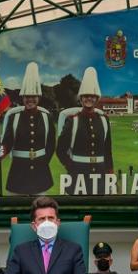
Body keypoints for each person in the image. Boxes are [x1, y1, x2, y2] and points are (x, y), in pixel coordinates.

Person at [0, 61, 57, 195]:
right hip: (18, 173)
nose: (30, 99)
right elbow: (7, 142)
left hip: (41, 173)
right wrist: (0, 152)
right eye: (27, 97)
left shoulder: (47, 117)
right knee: (16, 210)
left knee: (40, 209)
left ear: (39, 97)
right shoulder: (14, 117)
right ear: (22, 97)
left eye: (33, 96)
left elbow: (51, 144)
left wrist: (43, 163)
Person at [57, 67, 113, 195]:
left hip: (100, 177)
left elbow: (107, 150)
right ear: (81, 98)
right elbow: (60, 149)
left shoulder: (104, 120)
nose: (89, 99)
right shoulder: (72, 120)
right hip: (77, 176)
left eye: (92, 96)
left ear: (97, 98)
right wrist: (70, 166)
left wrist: (110, 172)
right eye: (86, 96)